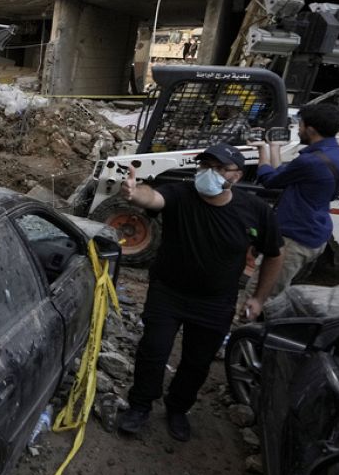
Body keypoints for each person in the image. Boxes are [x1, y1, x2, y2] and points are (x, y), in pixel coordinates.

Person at [116, 144, 284, 442]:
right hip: (168, 292)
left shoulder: (254, 210)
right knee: (153, 351)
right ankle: (140, 405)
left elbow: (274, 254)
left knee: (197, 361)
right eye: (204, 166)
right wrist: (133, 191)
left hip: (215, 303)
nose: (209, 174)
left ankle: (178, 408)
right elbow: (152, 197)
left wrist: (258, 297)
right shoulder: (180, 195)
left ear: (237, 175)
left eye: (219, 168)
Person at [249, 103, 339, 302]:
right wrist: (274, 148)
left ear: (311, 129)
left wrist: (261, 150)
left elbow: (271, 181)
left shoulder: (310, 161)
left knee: (261, 294)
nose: (298, 129)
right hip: (316, 232)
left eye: (300, 125)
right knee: (278, 290)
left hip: (295, 237)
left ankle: (246, 331)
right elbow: (284, 177)